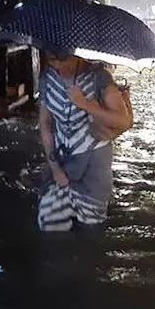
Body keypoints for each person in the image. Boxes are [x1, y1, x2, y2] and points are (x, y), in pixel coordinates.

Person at [37, 54, 133, 232]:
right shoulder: (47, 78)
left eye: (62, 59)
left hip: (94, 165)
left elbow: (123, 121)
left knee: (91, 232)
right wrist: (55, 168)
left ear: (76, 55)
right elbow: (45, 124)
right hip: (61, 159)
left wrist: (85, 104)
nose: (57, 65)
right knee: (50, 226)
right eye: (51, 60)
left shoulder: (99, 77)